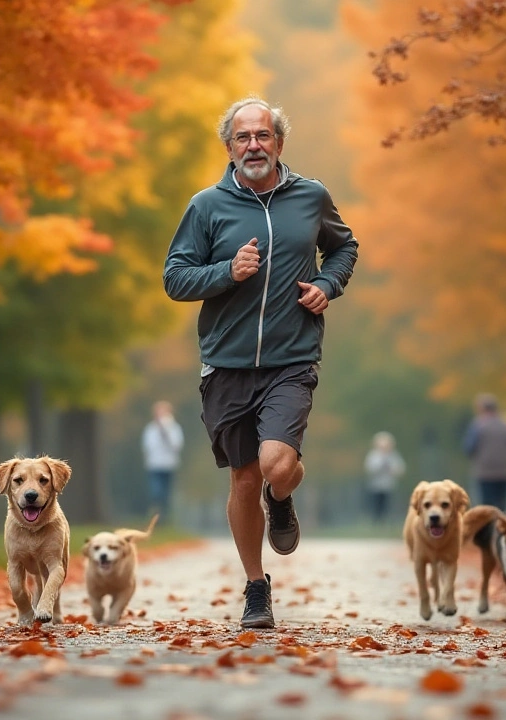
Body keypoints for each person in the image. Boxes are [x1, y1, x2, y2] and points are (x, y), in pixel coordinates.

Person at [163, 96, 359, 629]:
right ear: (229, 147)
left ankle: (283, 492)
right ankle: (256, 587)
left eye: (264, 135)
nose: (254, 144)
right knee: (244, 480)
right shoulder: (206, 206)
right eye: (243, 137)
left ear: (279, 143)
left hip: (291, 357)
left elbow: (344, 248)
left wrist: (326, 283)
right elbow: (175, 278)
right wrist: (228, 271)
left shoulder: (310, 197)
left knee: (275, 465)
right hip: (225, 363)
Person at [462, 393, 506, 510]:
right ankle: (501, 526)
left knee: (487, 505)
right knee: (501, 504)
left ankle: (489, 527)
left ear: (482, 408)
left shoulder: (478, 425)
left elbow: (469, 447)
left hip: (485, 472)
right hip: (504, 471)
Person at [141, 400, 184, 520]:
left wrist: (166, 432)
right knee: (156, 491)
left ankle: (164, 515)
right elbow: (147, 446)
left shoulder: (174, 428)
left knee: (167, 492)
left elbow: (177, 445)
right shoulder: (150, 429)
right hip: (154, 465)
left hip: (169, 464)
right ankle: (156, 511)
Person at [364, 431, 405, 523]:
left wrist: (392, 470)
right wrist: (380, 467)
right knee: (376, 505)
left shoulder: (393, 455)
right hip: (376, 485)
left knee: (388, 504)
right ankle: (376, 521)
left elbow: (400, 468)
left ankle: (387, 520)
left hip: (389, 485)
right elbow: (370, 468)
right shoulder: (374, 455)